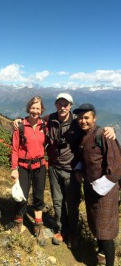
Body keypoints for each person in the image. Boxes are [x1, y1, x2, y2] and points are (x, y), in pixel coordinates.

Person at [13, 93, 116, 249]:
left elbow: (92, 129)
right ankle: (62, 230)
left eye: (66, 104)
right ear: (56, 105)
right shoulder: (49, 119)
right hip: (54, 167)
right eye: (60, 104)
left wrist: (109, 129)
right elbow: (33, 117)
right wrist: (19, 120)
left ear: (70, 106)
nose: (63, 107)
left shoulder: (76, 124)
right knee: (58, 202)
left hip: (71, 169)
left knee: (72, 204)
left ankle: (73, 234)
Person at [73, 103, 121, 266]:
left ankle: (109, 263)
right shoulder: (83, 135)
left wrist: (100, 187)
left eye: (86, 117)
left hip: (106, 191)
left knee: (105, 230)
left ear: (95, 119)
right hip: (91, 188)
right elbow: (83, 158)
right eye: (80, 118)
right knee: (96, 224)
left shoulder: (104, 135)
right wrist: (79, 170)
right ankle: (100, 255)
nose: (83, 121)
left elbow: (115, 167)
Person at [9, 96, 48, 246]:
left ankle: (38, 225)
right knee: (22, 195)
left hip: (39, 166)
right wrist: (14, 168)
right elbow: (14, 149)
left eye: (38, 108)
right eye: (33, 108)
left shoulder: (44, 125)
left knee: (38, 196)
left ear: (42, 110)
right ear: (28, 109)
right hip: (23, 166)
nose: (35, 111)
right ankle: (19, 221)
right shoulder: (20, 127)